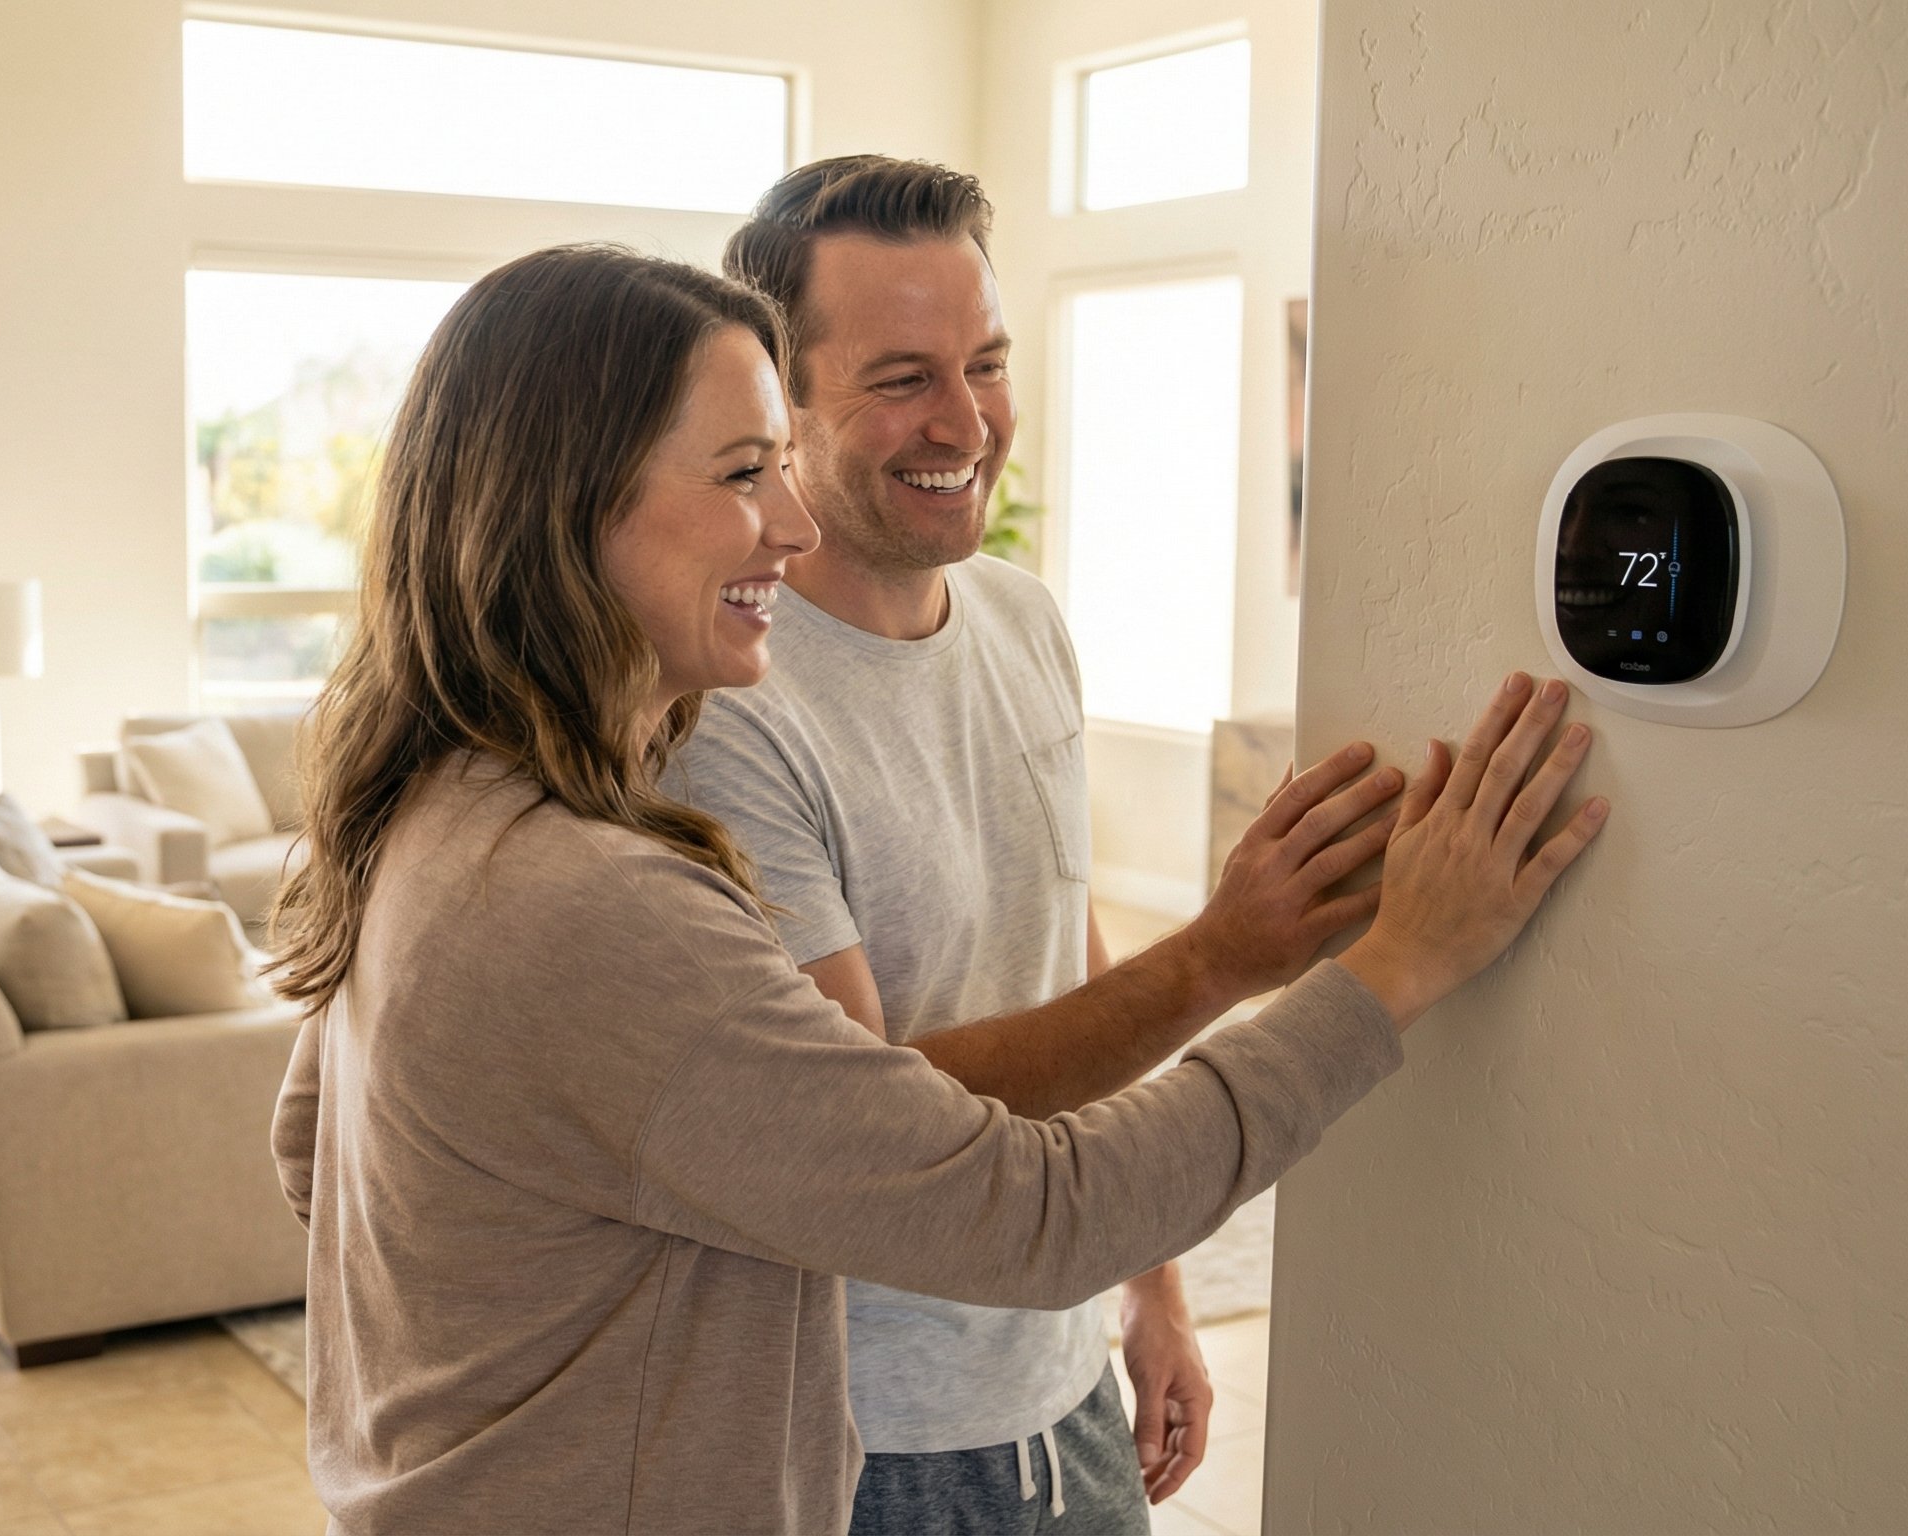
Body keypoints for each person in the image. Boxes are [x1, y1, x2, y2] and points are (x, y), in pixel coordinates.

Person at [268, 242, 1606, 1536]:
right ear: (563, 511)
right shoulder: (585, 898)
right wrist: (1395, 968)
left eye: (779, 467)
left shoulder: (445, 807)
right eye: (745, 472)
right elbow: (1029, 1210)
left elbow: (313, 1153)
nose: (789, 524)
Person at [668, 154, 1376, 1529]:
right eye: (901, 378)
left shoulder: (1022, 617)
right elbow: (868, 1115)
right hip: (876, 1444)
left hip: (1070, 1387)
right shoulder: (731, 713)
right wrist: (1222, 957)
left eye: (984, 361)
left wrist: (1153, 1282)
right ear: (783, 401)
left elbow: (1058, 931)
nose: (967, 420)